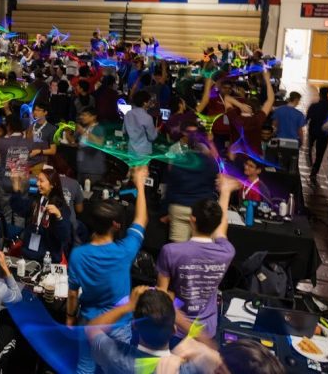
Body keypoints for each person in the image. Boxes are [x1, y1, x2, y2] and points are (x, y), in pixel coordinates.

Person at [67, 166, 148, 374]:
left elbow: (73, 294)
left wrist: (69, 318)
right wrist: (140, 182)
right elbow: (141, 220)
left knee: (84, 367)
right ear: (116, 225)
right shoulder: (125, 250)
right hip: (118, 324)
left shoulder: (78, 255)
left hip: (89, 322)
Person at [157, 175, 241, 338]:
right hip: (207, 330)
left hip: (178, 327)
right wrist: (225, 192)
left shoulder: (171, 251)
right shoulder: (227, 251)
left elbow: (161, 295)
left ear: (192, 220)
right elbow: (221, 229)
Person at [88, 287, 198, 374]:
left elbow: (92, 329)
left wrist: (128, 306)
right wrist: (172, 311)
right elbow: (209, 344)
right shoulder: (186, 369)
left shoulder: (115, 356)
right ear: (174, 330)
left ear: (135, 325)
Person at [164, 124, 219, 242]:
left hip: (181, 208)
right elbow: (217, 171)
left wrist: (165, 210)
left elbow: (171, 184)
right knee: (198, 250)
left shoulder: (181, 160)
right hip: (199, 211)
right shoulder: (209, 163)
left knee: (178, 251)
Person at [11, 165, 72, 263]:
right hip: (28, 253)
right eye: (37, 180)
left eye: (41, 181)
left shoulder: (61, 207)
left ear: (52, 184)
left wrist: (58, 216)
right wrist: (16, 188)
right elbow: (19, 207)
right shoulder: (35, 200)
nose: (37, 183)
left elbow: (64, 236)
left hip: (48, 258)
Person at [123, 91, 157, 157]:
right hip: (143, 152)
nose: (150, 103)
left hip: (131, 150)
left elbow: (124, 131)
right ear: (145, 103)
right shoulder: (148, 117)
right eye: (149, 101)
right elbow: (152, 137)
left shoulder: (127, 114)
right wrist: (156, 131)